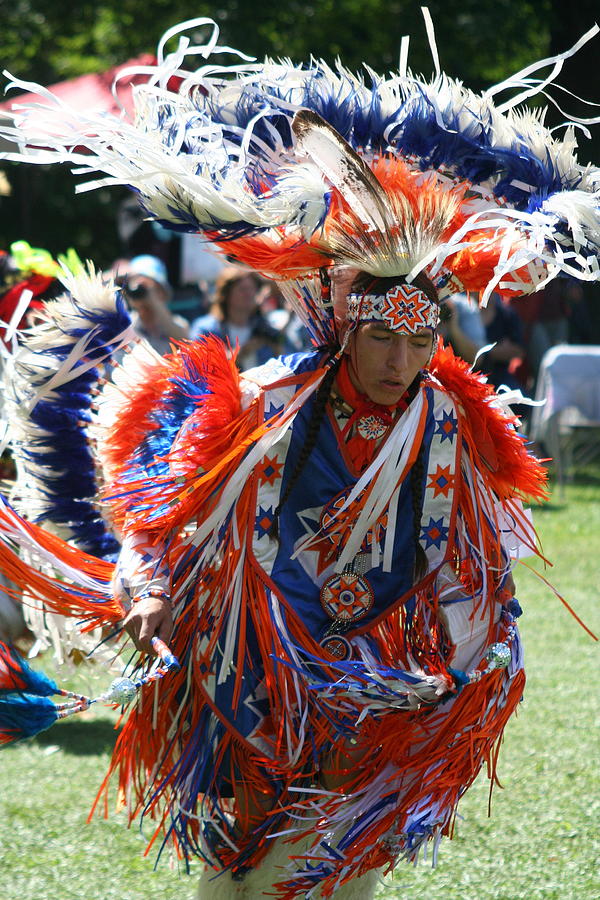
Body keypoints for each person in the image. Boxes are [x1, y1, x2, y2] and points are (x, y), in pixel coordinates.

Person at [0, 15, 599, 900]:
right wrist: (150, 584)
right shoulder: (266, 406)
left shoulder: (447, 420)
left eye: (420, 340)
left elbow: (471, 559)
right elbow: (170, 506)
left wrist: (471, 663)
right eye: (384, 341)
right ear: (346, 329)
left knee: (320, 872)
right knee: (234, 867)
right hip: (249, 657)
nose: (401, 363)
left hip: (369, 675)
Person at [190, 265, 283, 369]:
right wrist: (239, 353)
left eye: (252, 289)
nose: (249, 294)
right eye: (242, 289)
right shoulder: (206, 329)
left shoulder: (264, 329)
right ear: (226, 294)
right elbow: (199, 366)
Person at [118, 254, 189, 355]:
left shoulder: (179, 323)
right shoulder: (125, 327)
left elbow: (184, 341)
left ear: (162, 292)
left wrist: (154, 301)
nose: (142, 292)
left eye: (152, 287)